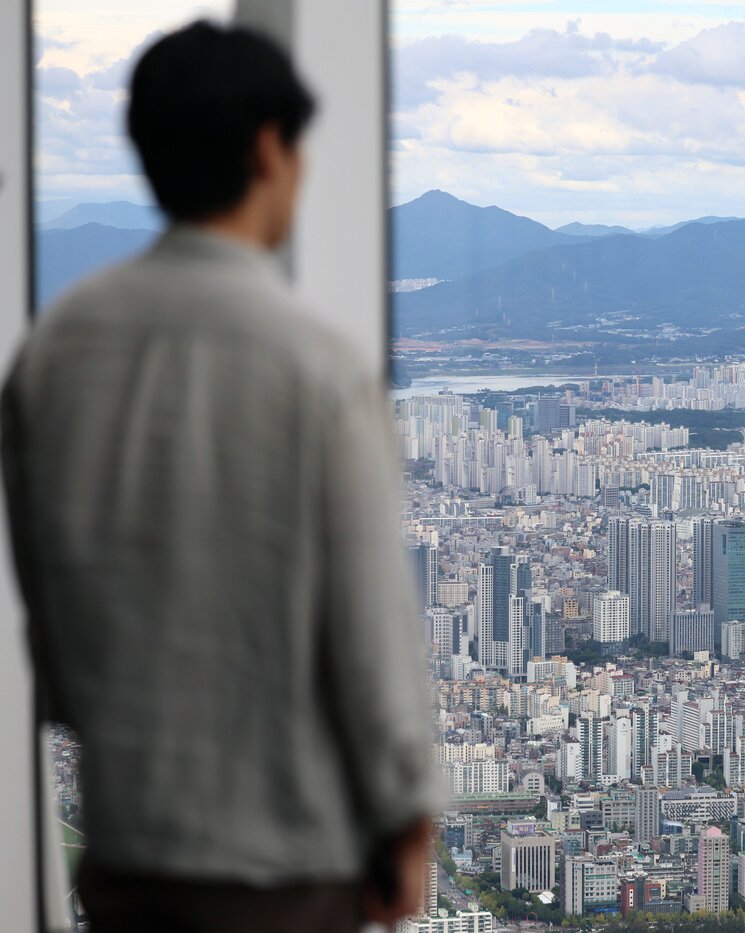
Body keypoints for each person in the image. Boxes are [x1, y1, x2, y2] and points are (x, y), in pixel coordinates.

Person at [2, 21, 441, 932]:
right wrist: (407, 818)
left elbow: (50, 629)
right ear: (268, 150)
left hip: (127, 851)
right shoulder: (316, 367)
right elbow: (370, 634)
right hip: (286, 870)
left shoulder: (51, 353)